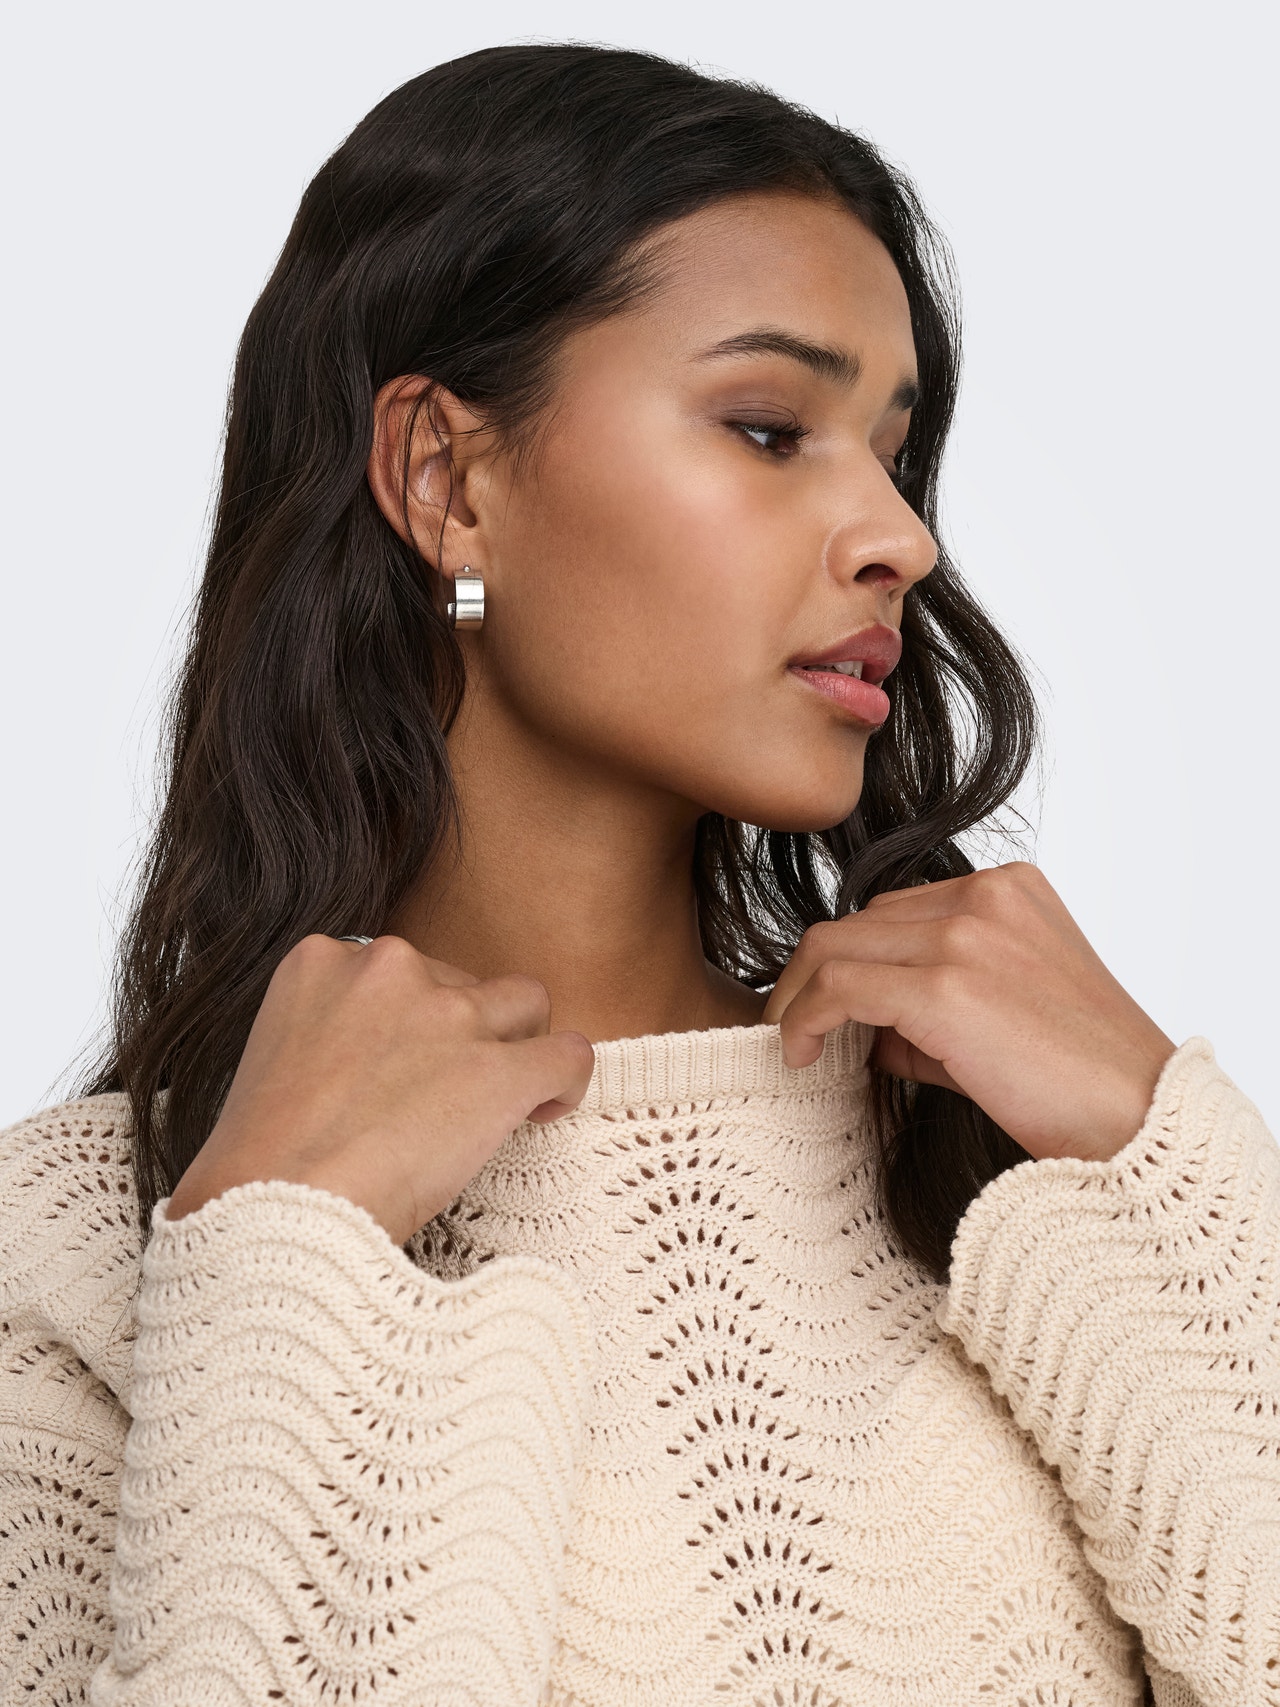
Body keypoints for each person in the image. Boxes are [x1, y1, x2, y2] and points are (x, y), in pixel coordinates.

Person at [0, 42, 1274, 1707]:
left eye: (894, 455)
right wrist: (292, 1258)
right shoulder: (80, 1262)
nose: (901, 538)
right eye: (769, 429)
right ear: (448, 482)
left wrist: (1163, 1162)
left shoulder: (1013, 1159)